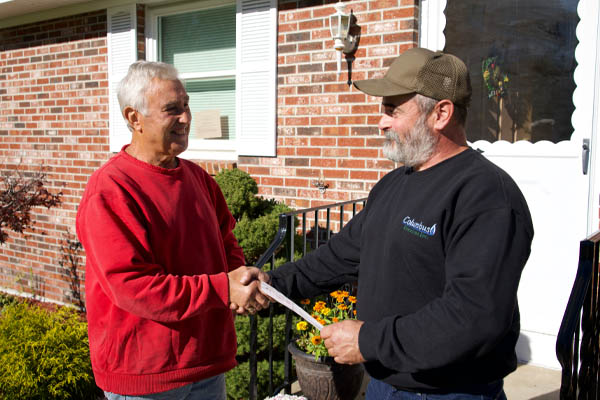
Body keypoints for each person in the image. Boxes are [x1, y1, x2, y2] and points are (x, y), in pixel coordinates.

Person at [264, 48, 534, 399]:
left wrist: (367, 340)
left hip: (449, 392)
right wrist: (273, 283)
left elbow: (474, 317)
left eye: (394, 110)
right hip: (381, 385)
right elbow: (340, 256)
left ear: (441, 113)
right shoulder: (394, 184)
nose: (382, 122)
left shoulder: (486, 196)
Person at [76, 60, 269, 400]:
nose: (186, 118)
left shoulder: (199, 179)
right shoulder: (111, 189)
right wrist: (223, 290)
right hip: (147, 374)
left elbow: (226, 244)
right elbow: (133, 286)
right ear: (134, 118)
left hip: (205, 363)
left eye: (186, 106)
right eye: (172, 110)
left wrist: (241, 279)